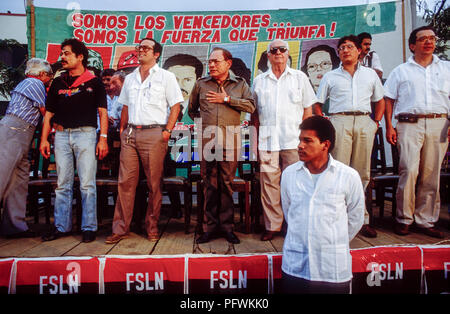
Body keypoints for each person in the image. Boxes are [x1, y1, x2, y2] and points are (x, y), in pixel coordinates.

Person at [105, 38, 183, 244]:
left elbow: (176, 106)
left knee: (153, 183)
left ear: (156, 54)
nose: (141, 50)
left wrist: (167, 131)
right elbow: (125, 107)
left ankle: (152, 226)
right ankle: (120, 227)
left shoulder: (166, 77)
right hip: (131, 134)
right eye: (139, 47)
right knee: (125, 182)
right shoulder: (130, 78)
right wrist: (122, 130)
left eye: (146, 48)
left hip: (154, 133)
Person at [280, 116, 364, 294]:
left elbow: (355, 219)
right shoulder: (289, 175)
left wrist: (330, 241)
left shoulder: (348, 176)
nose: (300, 146)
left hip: (332, 269)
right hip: (295, 266)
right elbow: (290, 214)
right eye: (300, 140)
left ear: (325, 145)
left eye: (307, 141)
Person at [315, 35, 385, 238]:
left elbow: (379, 100)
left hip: (364, 121)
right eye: (342, 47)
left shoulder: (370, 74)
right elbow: (318, 103)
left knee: (362, 173)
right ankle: (337, 219)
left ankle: (361, 220)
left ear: (358, 51)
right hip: (339, 121)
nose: (346, 50)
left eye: (350, 47)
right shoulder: (330, 76)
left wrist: (375, 122)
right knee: (338, 172)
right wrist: (326, 122)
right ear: (338, 52)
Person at [40, 38, 109, 243]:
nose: (62, 57)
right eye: (62, 53)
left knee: (87, 184)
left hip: (86, 135)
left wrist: (102, 139)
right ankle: (61, 227)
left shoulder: (94, 81)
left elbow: (103, 113)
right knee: (62, 184)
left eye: (67, 53)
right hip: (61, 136)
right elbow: (48, 114)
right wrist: (44, 139)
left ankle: (89, 227)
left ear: (80, 57)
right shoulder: (58, 83)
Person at [384, 26, 449, 239]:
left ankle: (426, 220)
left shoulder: (446, 68)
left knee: (431, 175)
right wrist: (390, 126)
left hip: (439, 124)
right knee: (409, 171)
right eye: (423, 39)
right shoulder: (401, 70)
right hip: (409, 124)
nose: (428, 42)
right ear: (413, 45)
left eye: (432, 38)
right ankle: (404, 219)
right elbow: (389, 99)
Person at [188, 47, 255, 244]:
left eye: (216, 61)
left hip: (230, 141)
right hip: (208, 142)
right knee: (209, 184)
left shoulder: (239, 84)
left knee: (226, 184)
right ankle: (209, 228)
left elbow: (251, 106)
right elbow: (192, 110)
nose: (212, 65)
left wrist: (227, 99)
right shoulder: (201, 84)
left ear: (228, 63)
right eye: (210, 62)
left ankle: (227, 227)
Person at [252, 39, 316, 241]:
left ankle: (294, 225)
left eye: (282, 49)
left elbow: (308, 110)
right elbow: (255, 115)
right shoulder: (259, 81)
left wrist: (305, 139)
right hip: (268, 141)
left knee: (296, 185)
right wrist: (255, 142)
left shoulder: (300, 78)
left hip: (293, 141)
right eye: (273, 50)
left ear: (288, 54)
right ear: (268, 55)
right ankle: (273, 225)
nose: (278, 52)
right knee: (269, 185)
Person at [0, 58, 53, 238]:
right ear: (43, 74)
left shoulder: (28, 82)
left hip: (23, 133)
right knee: (2, 176)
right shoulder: (34, 82)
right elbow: (45, 111)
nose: (51, 79)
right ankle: (14, 225)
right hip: (14, 131)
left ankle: (15, 226)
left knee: (18, 181)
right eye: (50, 75)